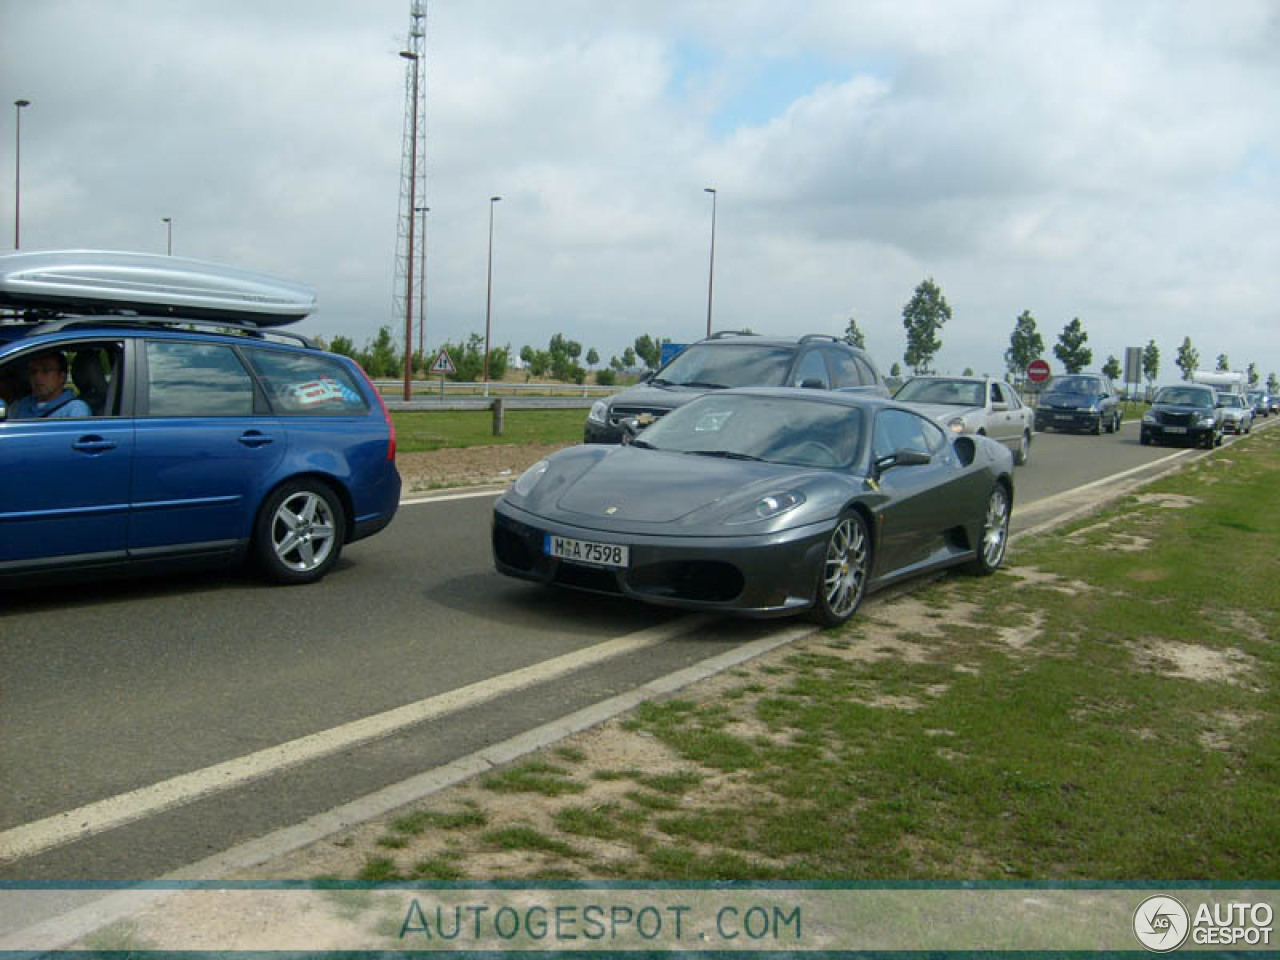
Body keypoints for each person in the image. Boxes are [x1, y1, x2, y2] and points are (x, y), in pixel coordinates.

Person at [10, 350, 92, 419]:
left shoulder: (75, 408)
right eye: (33, 372)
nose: (37, 377)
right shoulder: (23, 404)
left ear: (62, 377)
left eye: (46, 371)